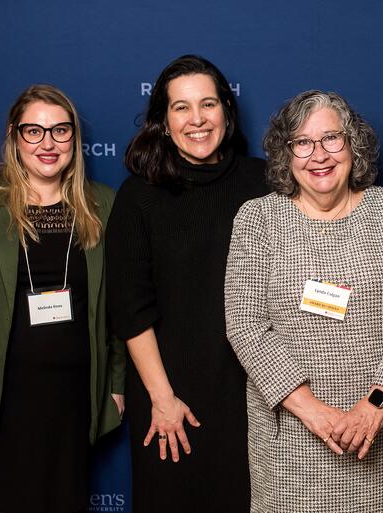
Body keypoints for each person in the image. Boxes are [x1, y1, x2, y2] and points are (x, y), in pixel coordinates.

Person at [224, 90, 383, 513]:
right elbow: (244, 324)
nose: (318, 154)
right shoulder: (257, 220)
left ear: (353, 144)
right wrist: (315, 412)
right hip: (292, 447)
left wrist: (375, 405)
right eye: (302, 142)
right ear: (287, 153)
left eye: (331, 138)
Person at [106, 55, 267, 513]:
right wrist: (162, 399)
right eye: (181, 107)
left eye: (208, 104)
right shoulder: (139, 196)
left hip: (254, 400)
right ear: (163, 119)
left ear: (227, 112)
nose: (196, 119)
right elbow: (130, 309)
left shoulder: (265, 184)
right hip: (171, 400)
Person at [0, 84, 124, 513]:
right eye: (34, 131)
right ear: (14, 136)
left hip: (70, 401)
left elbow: (120, 306)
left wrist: (118, 385)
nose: (48, 144)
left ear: (75, 139)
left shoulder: (103, 206)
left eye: (60, 131)